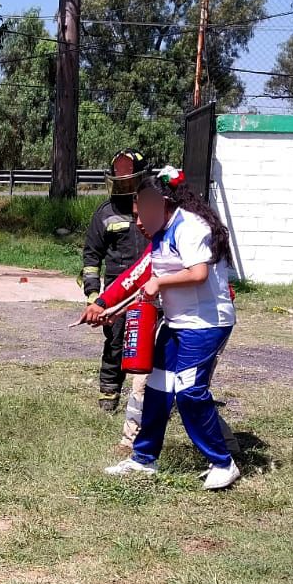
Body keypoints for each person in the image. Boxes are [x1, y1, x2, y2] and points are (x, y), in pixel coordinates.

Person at [82, 168, 240, 490]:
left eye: (143, 214)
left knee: (189, 392)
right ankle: (143, 459)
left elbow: (197, 274)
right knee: (157, 387)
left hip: (206, 325)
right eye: (136, 214)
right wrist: (107, 307)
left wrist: (159, 282)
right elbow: (141, 278)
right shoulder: (160, 236)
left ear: (163, 204)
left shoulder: (191, 227)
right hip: (177, 324)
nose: (138, 222)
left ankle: (223, 462)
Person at [81, 149, 149, 412]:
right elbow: (91, 257)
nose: (125, 185)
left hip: (150, 287)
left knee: (154, 340)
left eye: (130, 179)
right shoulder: (105, 213)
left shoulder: (154, 207)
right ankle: (109, 394)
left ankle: (149, 396)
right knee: (116, 341)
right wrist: (93, 293)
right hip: (116, 289)